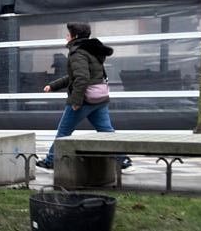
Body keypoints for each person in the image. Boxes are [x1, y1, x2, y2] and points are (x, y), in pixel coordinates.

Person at [36, 21, 130, 169]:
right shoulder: (91, 50)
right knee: (106, 131)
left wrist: (76, 101)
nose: (66, 37)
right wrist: (53, 86)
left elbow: (81, 78)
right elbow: (75, 77)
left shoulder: (77, 52)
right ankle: (123, 159)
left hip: (84, 100)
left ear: (75, 36)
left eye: (68, 34)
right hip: (99, 99)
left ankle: (51, 161)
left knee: (63, 132)